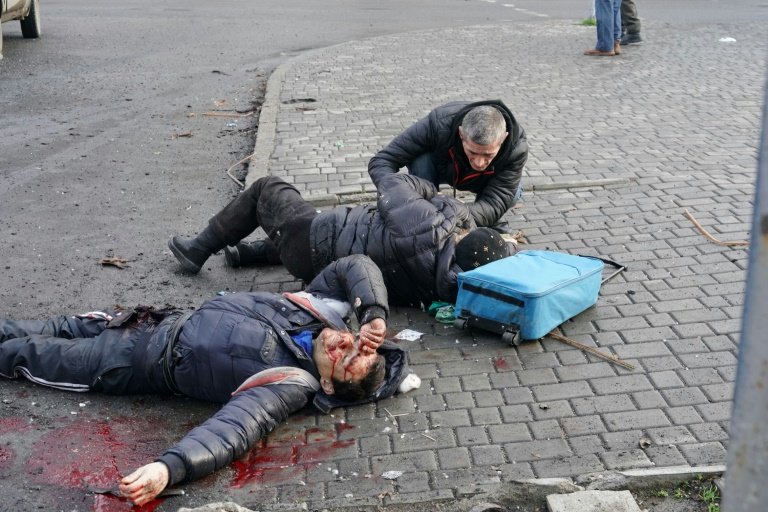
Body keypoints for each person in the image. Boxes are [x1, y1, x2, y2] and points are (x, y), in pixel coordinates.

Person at [0, 255, 416, 506]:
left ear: (327, 385)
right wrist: (374, 313)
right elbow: (355, 265)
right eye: (356, 343)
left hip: (125, 362)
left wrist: (168, 469)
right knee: (38, 328)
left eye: (345, 360)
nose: (343, 344)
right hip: (146, 319)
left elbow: (233, 430)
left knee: (25, 354)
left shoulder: (289, 383)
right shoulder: (316, 311)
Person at [169, 173, 511, 307]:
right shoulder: (447, 286)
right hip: (328, 272)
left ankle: (197, 250)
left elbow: (391, 184)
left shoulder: (427, 225)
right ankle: (245, 254)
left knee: (267, 189)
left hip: (313, 239)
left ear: (464, 234)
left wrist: (433, 193)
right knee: (301, 227)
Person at [367, 100, 528, 229]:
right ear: (461, 134)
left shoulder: (517, 149)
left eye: (488, 154)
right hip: (442, 170)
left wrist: (454, 214)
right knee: (420, 156)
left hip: (486, 183)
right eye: (472, 152)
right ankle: (424, 206)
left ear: (504, 138)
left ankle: (444, 214)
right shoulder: (438, 124)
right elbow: (382, 160)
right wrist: (398, 193)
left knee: (512, 194)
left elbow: (494, 202)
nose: (479, 163)